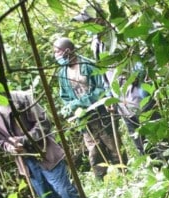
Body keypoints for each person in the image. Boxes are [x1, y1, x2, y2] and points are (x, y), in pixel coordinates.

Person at [0, 91, 83, 198]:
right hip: (26, 162)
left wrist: (24, 140)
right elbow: (0, 140)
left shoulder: (21, 98)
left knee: (64, 190)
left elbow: (44, 123)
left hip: (46, 152)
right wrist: (11, 147)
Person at [53, 37, 125, 179]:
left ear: (67, 51)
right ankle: (101, 180)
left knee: (113, 146)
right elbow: (64, 96)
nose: (56, 56)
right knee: (94, 151)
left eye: (57, 52)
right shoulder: (62, 73)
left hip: (101, 114)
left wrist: (80, 102)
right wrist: (70, 107)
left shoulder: (88, 65)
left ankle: (125, 175)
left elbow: (102, 89)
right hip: (84, 119)